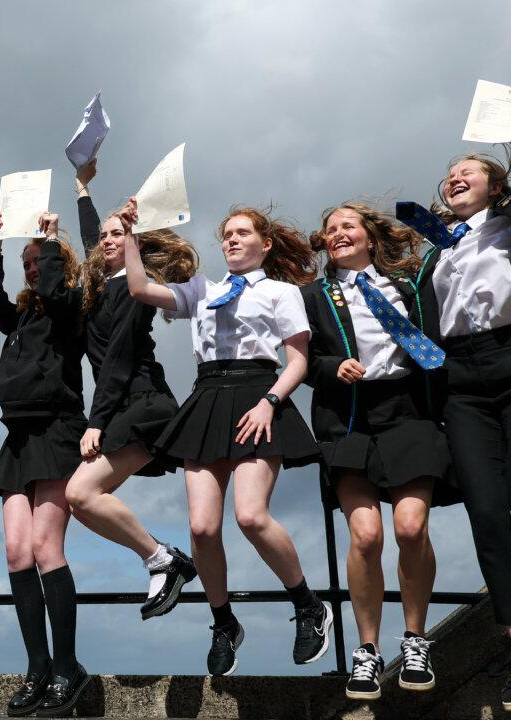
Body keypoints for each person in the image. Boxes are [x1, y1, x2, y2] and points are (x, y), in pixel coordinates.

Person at [125, 200, 330, 676]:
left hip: (260, 395)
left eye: (241, 233)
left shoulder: (281, 292)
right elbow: (139, 288)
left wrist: (271, 403)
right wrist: (133, 240)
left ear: (265, 242)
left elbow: (297, 360)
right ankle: (224, 624)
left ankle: (308, 605)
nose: (232, 240)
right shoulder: (203, 288)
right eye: (226, 235)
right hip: (208, 397)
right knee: (201, 528)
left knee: (251, 516)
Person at [46, 165, 197, 714]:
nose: (108, 241)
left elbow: (117, 362)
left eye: (119, 235)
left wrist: (95, 421)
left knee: (81, 494)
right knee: (82, 495)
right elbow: (92, 241)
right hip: (125, 407)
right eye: (105, 236)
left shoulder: (134, 292)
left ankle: (162, 559)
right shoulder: (101, 281)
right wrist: (83, 189)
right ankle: (162, 559)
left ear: (132, 243)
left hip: (143, 403)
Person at [303, 203, 453, 699]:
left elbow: (451, 272)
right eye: (330, 230)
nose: (338, 234)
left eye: (348, 226)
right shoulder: (314, 296)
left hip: (408, 411)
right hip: (348, 419)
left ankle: (415, 638)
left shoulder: (409, 285)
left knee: (410, 527)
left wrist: (443, 223)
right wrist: (331, 367)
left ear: (369, 237)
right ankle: (367, 651)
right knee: (365, 537)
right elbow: (298, 355)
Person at [397, 153, 511, 711]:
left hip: (510, 353)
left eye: (470, 169)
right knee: (487, 512)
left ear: (497, 184)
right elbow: (419, 320)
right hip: (460, 380)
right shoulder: (437, 249)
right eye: (449, 172)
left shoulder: (507, 226)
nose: (454, 176)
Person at [0, 210, 86, 717]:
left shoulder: (67, 308)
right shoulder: (21, 316)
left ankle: (67, 667)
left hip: (57, 432)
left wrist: (47, 240)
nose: (32, 269)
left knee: (46, 548)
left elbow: (60, 290)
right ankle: (38, 666)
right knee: (18, 553)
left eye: (37, 262)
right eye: (26, 263)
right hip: (18, 438)